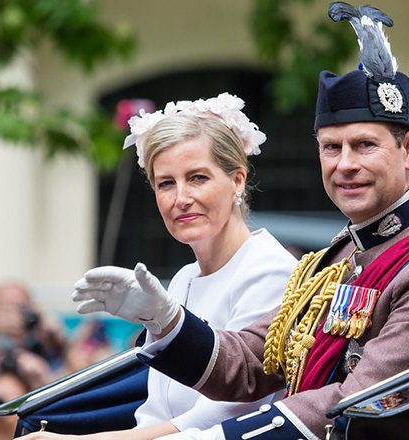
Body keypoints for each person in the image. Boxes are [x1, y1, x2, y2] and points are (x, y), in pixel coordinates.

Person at [19, 3, 409, 439]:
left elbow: (356, 405)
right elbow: (254, 364)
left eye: (364, 145)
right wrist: (166, 320)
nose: (345, 164)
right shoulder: (340, 257)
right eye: (331, 148)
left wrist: (213, 438)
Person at [22, 93, 298, 439]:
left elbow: (223, 415)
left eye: (198, 178)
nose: (181, 198)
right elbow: (155, 410)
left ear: (237, 181)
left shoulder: (270, 270)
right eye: (166, 183)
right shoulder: (184, 278)